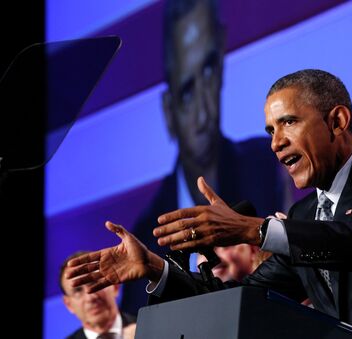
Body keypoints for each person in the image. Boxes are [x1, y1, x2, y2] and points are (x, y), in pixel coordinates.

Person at [66, 69, 352, 338]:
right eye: (269, 130)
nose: (275, 142)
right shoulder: (304, 215)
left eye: (289, 123)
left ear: (338, 120)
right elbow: (241, 301)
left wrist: (253, 230)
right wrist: (156, 269)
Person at [122, 0, 290, 313]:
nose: (204, 111)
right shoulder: (145, 235)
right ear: (168, 111)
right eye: (187, 91)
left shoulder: (269, 169)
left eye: (209, 69)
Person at [60, 251, 136, 339]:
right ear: (68, 305)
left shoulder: (148, 329)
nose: (90, 297)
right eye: (78, 291)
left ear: (115, 286)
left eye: (94, 283)